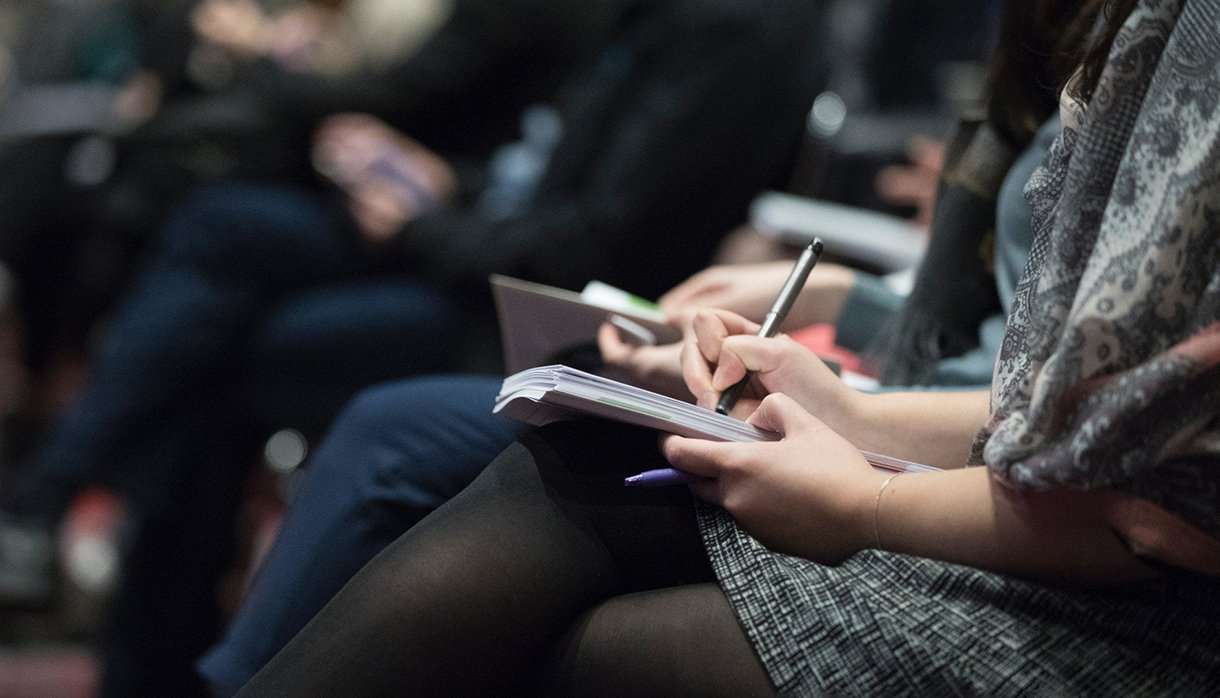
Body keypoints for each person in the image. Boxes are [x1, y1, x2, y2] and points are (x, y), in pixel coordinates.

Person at [237, 0, 1220, 693]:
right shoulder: (1118, 33)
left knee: (535, 594)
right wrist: (847, 401)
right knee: (538, 452)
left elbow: (1136, 495)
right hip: (997, 468)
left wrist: (865, 489)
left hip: (1131, 615)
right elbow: (1062, 400)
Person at [0, 1, 826, 694]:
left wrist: (428, 222)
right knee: (221, 235)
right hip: (482, 250)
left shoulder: (731, 31)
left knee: (244, 358)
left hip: (552, 318)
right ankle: (111, 589)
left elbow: (589, 250)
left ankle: (131, 607)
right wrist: (438, 186)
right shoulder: (646, 16)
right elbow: (537, 178)